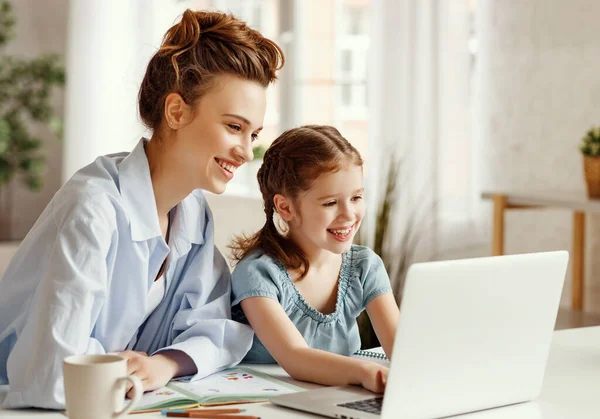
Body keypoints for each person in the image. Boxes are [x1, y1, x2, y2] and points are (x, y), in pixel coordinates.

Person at [0, 9, 284, 409]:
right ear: (176, 112)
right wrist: (129, 368)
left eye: (253, 133)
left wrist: (164, 364)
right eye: (234, 127)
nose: (245, 149)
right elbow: (53, 372)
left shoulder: (192, 212)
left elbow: (216, 328)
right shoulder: (93, 209)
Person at [229, 125, 400, 393]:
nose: (349, 214)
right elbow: (295, 357)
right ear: (285, 207)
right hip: (267, 402)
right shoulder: (258, 273)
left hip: (341, 396)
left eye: (356, 197)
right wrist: (366, 372)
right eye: (330, 203)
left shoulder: (365, 266)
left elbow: (401, 349)